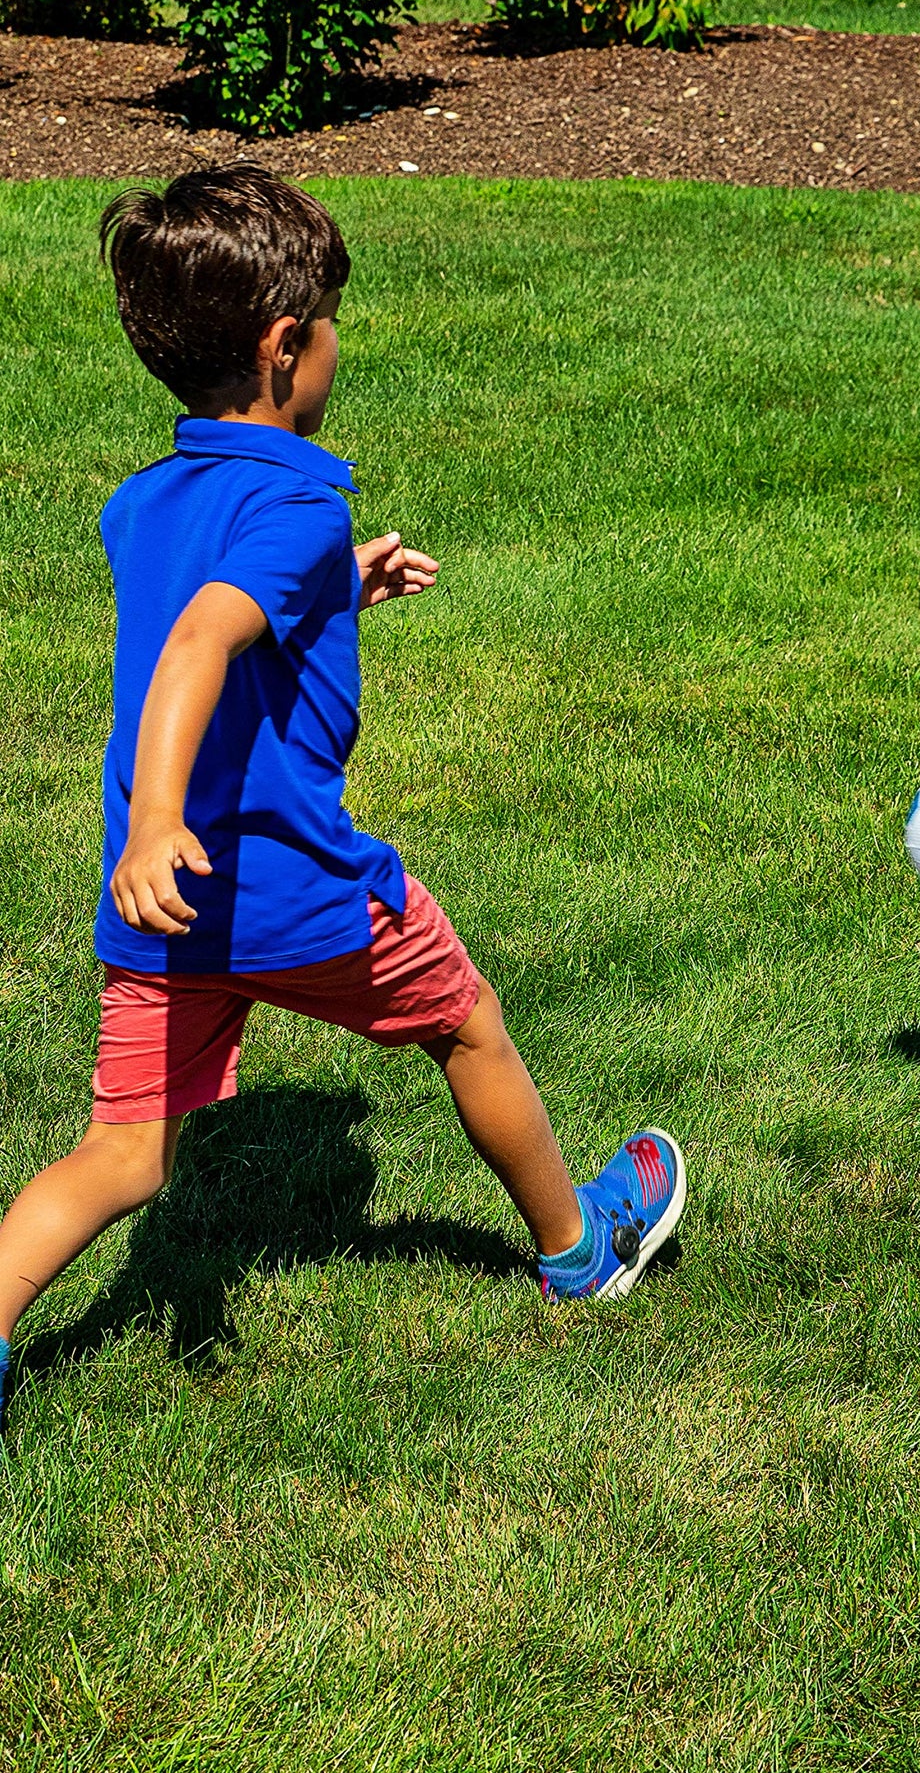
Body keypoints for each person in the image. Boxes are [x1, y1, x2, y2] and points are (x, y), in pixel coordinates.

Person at [0, 165, 683, 1424]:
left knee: (120, 1155)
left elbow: (212, 611)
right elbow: (203, 642)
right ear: (283, 346)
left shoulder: (137, 505)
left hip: (159, 916)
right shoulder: (305, 499)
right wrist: (165, 817)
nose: (333, 344)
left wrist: (328, 592)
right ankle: (581, 1250)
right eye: (327, 323)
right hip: (300, 889)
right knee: (465, 1024)